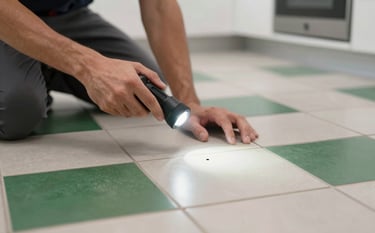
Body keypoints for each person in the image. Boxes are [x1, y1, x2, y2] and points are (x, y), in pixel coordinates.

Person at [0, 0, 258, 144]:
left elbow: (158, 4)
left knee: (146, 89)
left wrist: (188, 100)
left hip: (66, 13)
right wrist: (87, 66)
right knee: (18, 111)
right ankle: (34, 74)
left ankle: (43, 68)